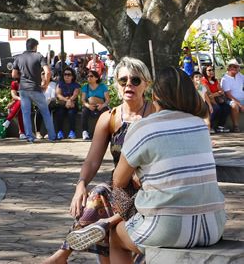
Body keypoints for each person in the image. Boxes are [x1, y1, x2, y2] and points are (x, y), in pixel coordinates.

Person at [66, 67, 226, 259]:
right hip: (213, 226)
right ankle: (108, 222)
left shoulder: (143, 127)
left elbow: (118, 181)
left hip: (170, 227)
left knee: (116, 237)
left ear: (155, 94)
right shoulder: (199, 125)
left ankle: (108, 223)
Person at [41, 57, 154, 264]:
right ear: (117, 85)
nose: (129, 84)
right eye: (123, 81)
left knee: (101, 203)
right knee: (99, 192)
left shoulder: (155, 114)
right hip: (120, 189)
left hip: (149, 189)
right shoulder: (109, 117)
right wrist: (80, 185)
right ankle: (73, 247)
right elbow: (93, 160)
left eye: (135, 80)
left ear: (146, 83)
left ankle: (64, 253)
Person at [13, 38, 57, 143]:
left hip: (23, 88)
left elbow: (14, 74)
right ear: (35, 46)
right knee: (45, 112)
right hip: (35, 88)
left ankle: (30, 137)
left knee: (26, 113)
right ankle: (51, 136)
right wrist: (45, 84)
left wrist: (22, 79)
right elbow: (47, 72)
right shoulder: (39, 56)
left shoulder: (19, 58)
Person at [80, 70, 110, 141]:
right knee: (84, 111)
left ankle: (102, 133)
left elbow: (107, 100)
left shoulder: (102, 86)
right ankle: (85, 132)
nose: (89, 78)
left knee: (105, 112)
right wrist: (88, 106)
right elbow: (83, 100)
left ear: (96, 78)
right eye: (88, 76)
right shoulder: (85, 87)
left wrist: (102, 105)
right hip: (90, 106)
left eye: (91, 76)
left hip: (101, 106)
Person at [201, 64, 230, 133]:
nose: (211, 72)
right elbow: (209, 95)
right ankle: (209, 127)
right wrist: (217, 93)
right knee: (217, 108)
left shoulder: (215, 80)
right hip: (207, 101)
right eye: (209, 70)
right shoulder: (203, 81)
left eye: (212, 70)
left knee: (227, 107)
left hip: (216, 100)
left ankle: (220, 126)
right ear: (205, 71)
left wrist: (216, 94)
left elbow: (222, 91)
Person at [54, 68, 80, 140]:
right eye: (65, 74)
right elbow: (58, 94)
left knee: (71, 113)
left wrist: (70, 100)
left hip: (73, 104)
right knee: (59, 112)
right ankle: (60, 132)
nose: (67, 76)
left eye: (69, 74)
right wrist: (67, 100)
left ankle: (72, 132)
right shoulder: (60, 84)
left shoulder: (76, 85)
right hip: (62, 104)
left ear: (72, 76)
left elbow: (75, 95)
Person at [0, 68, 26, 139]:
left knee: (22, 104)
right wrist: (20, 99)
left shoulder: (26, 83)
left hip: (26, 104)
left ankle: (8, 120)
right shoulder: (14, 84)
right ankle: (22, 133)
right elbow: (14, 96)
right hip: (16, 104)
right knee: (21, 105)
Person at [220, 58, 243, 132]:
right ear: (229, 68)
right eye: (233, 66)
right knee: (234, 105)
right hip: (230, 99)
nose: (236, 68)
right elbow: (228, 95)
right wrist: (240, 104)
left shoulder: (240, 75)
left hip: (242, 98)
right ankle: (236, 126)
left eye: (237, 67)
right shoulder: (225, 79)